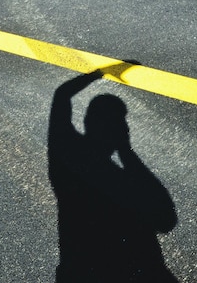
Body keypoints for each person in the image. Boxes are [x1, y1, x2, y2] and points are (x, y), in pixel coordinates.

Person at [48, 64, 179, 282]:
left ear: (88, 122)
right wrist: (126, 152)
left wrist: (101, 73)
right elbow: (167, 220)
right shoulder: (124, 181)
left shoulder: (66, 159)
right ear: (120, 131)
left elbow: (62, 94)